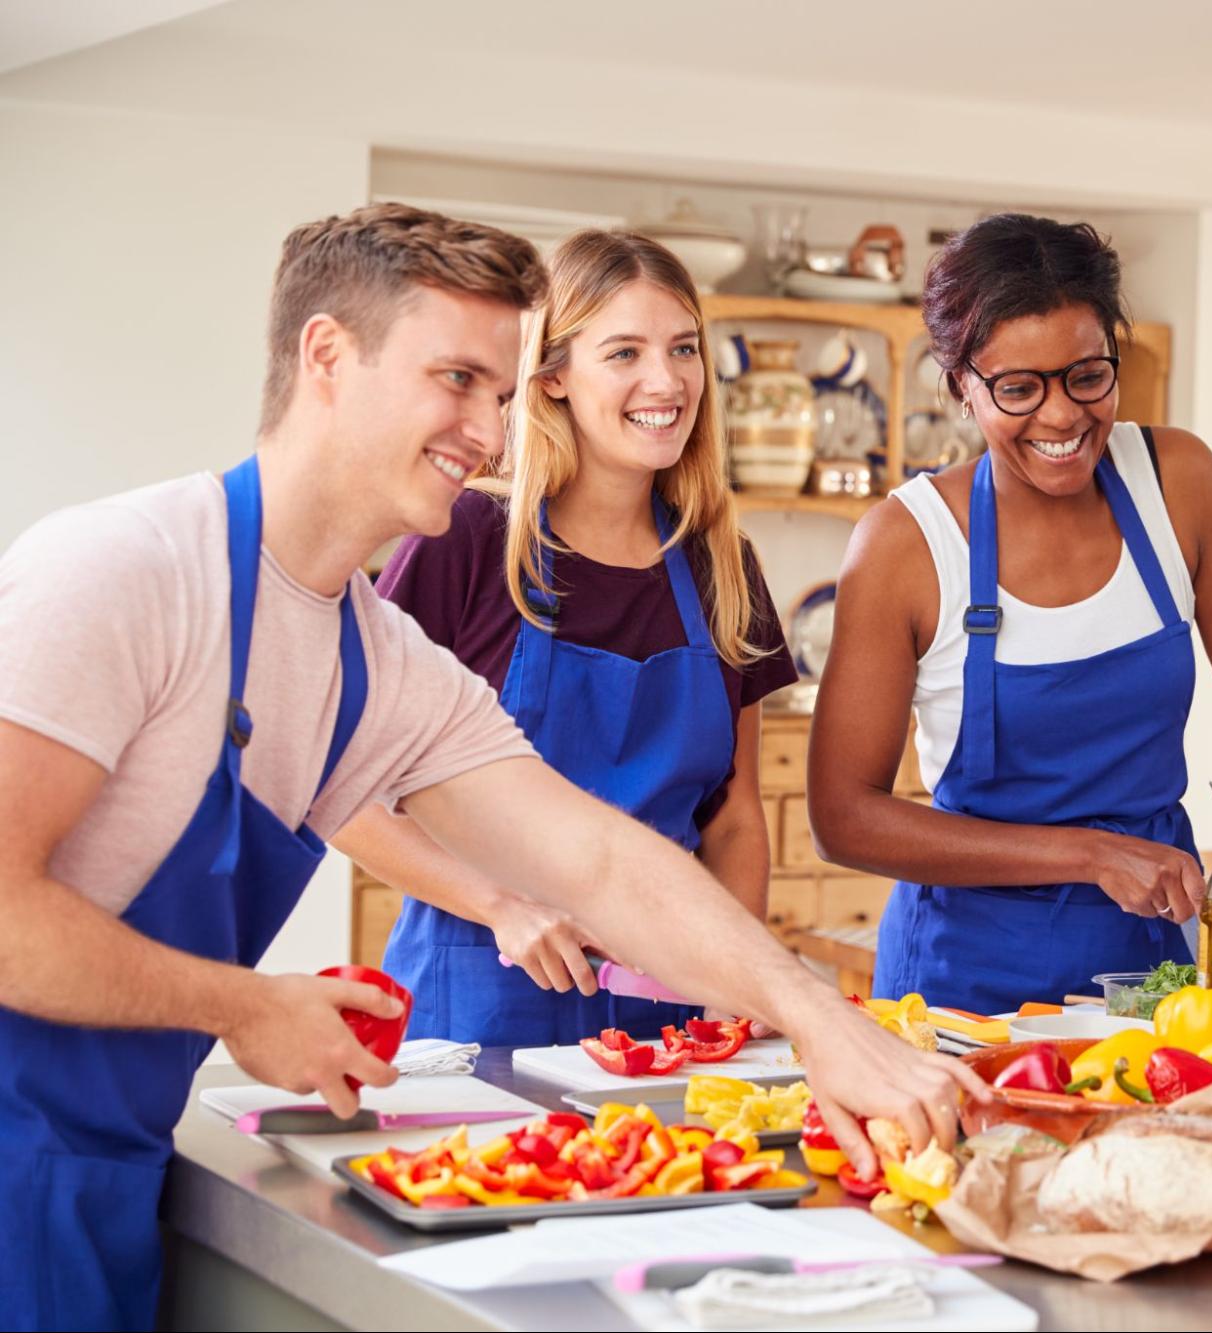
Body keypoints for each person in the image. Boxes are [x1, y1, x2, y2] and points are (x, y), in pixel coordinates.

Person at [0, 203, 982, 1332]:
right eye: (457, 379)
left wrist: (816, 1021)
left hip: (104, 1166)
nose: (491, 429)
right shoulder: (122, 570)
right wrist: (242, 1003)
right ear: (328, 355)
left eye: (505, 393)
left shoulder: (368, 656)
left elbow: (600, 860)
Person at [807, 213, 1212, 1014]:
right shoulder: (907, 544)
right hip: (963, 985)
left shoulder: (1176, 482)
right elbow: (844, 817)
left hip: (1155, 967)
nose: (1061, 417)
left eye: (1087, 375)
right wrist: (1089, 854)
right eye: (1017, 388)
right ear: (960, 384)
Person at [334, 230, 796, 1044]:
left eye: (683, 348)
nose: (667, 380)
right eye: (623, 352)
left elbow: (733, 818)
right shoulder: (465, 540)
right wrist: (499, 903)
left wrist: (739, 983)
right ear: (550, 377)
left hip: (667, 1003)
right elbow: (339, 785)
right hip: (479, 995)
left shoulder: (722, 564)